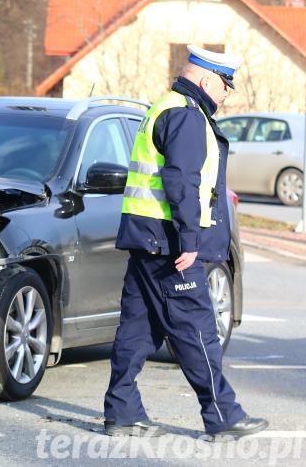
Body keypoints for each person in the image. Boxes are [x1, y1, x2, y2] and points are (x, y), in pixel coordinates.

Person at [103, 45, 268, 440]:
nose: (227, 93)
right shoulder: (187, 116)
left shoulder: (164, 105)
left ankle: (121, 413)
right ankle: (223, 417)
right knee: (198, 330)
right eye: (225, 84)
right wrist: (190, 241)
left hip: (148, 240)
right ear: (206, 79)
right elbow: (181, 181)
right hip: (171, 243)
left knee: (137, 330)